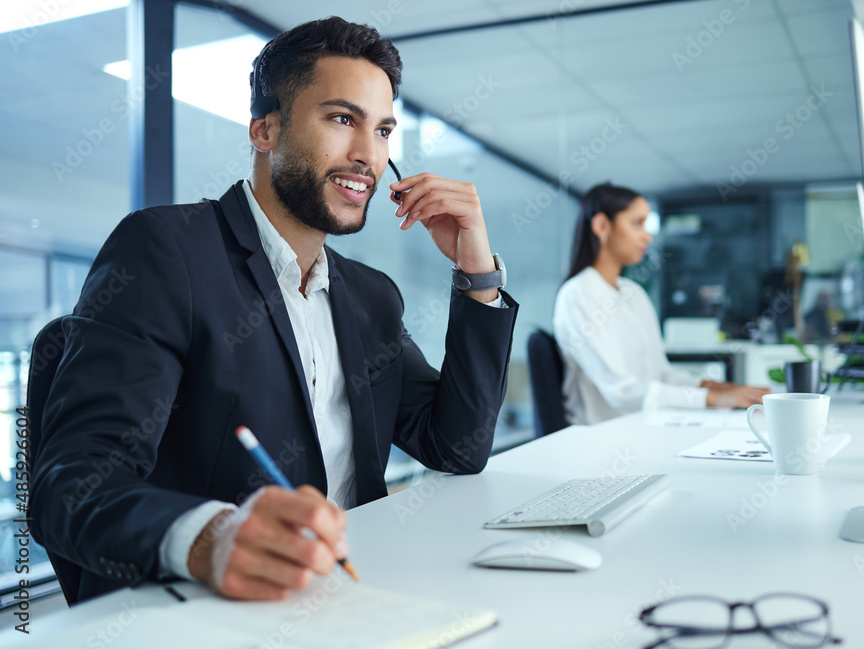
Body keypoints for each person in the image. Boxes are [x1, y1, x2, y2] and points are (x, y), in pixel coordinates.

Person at [30, 16, 517, 605]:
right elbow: (72, 487)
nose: (368, 153)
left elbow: (457, 447)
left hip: (359, 591)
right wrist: (210, 537)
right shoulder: (168, 251)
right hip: (221, 608)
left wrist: (478, 274)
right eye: (342, 119)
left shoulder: (370, 297)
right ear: (264, 129)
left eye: (384, 130)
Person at [553, 183, 767, 425]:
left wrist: (724, 389)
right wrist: (713, 398)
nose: (648, 236)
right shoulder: (578, 295)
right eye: (637, 223)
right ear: (602, 226)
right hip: (603, 435)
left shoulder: (633, 293)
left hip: (648, 424)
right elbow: (623, 394)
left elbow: (661, 375)